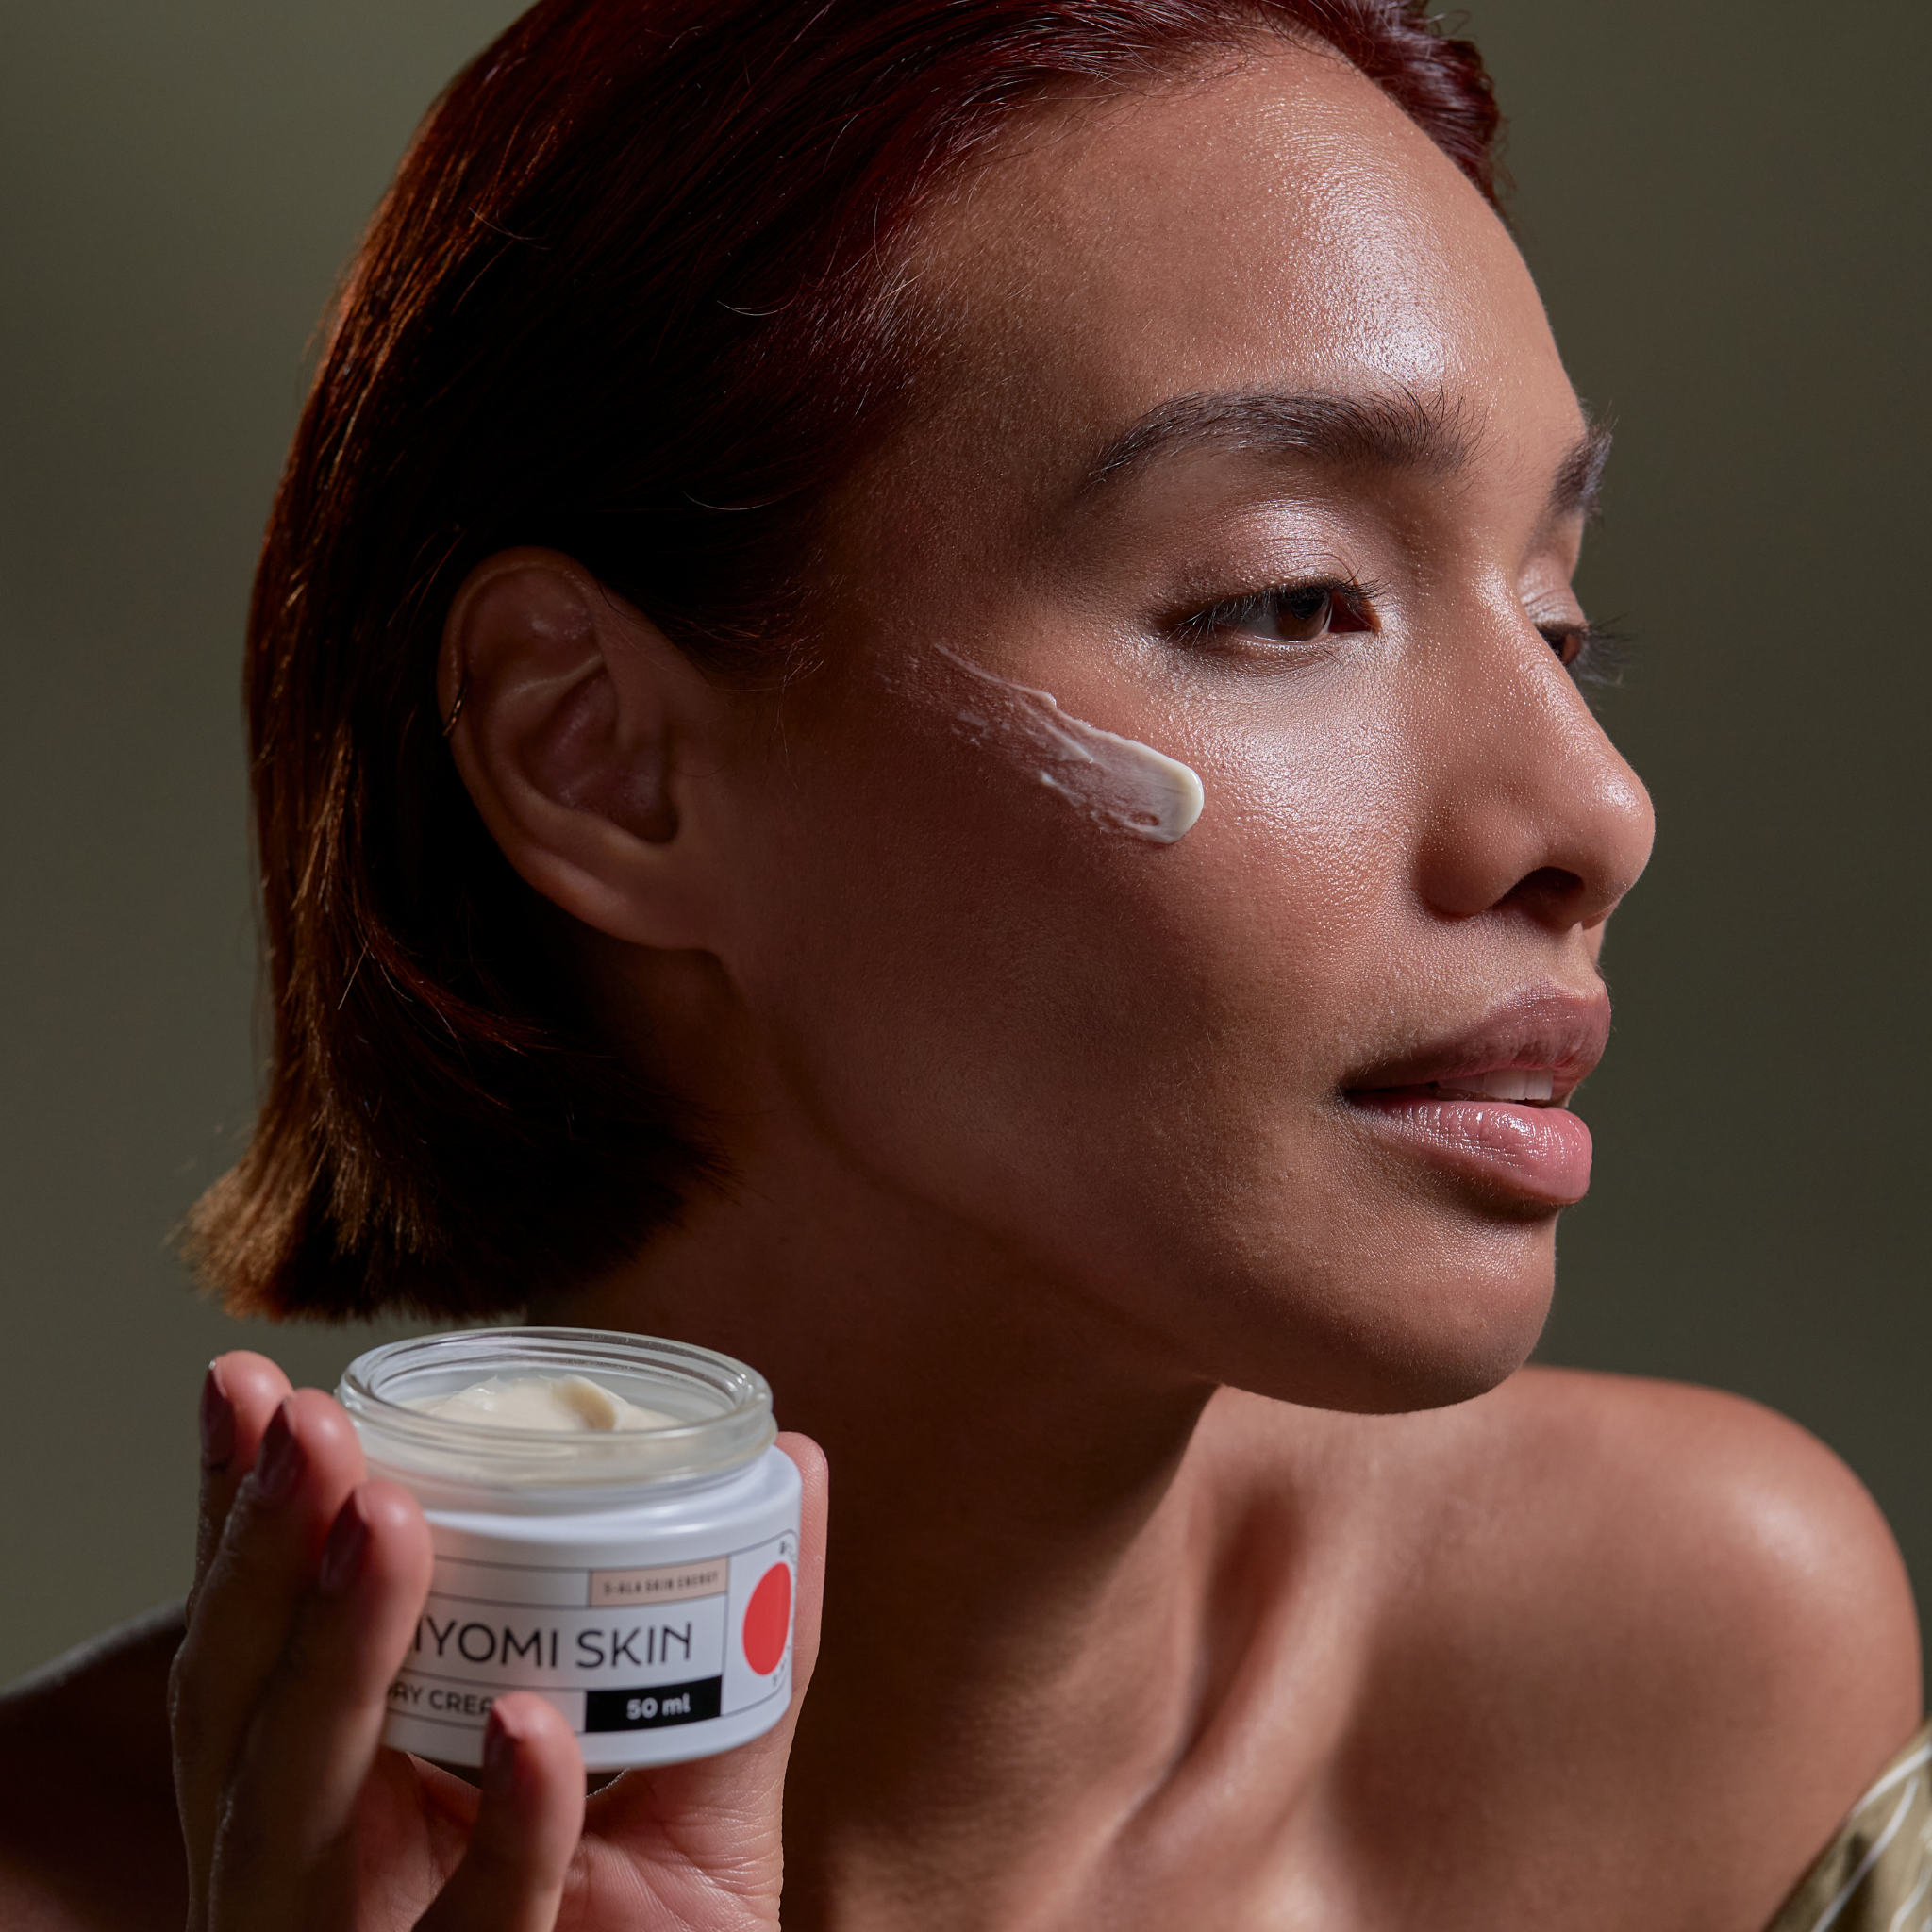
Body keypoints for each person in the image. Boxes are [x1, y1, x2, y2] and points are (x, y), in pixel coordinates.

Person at [1, 2, 1922, 1926]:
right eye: (1288, 599)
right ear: (598, 753)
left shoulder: (1691, 1673)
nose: (1594, 808)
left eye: (1555, 616)